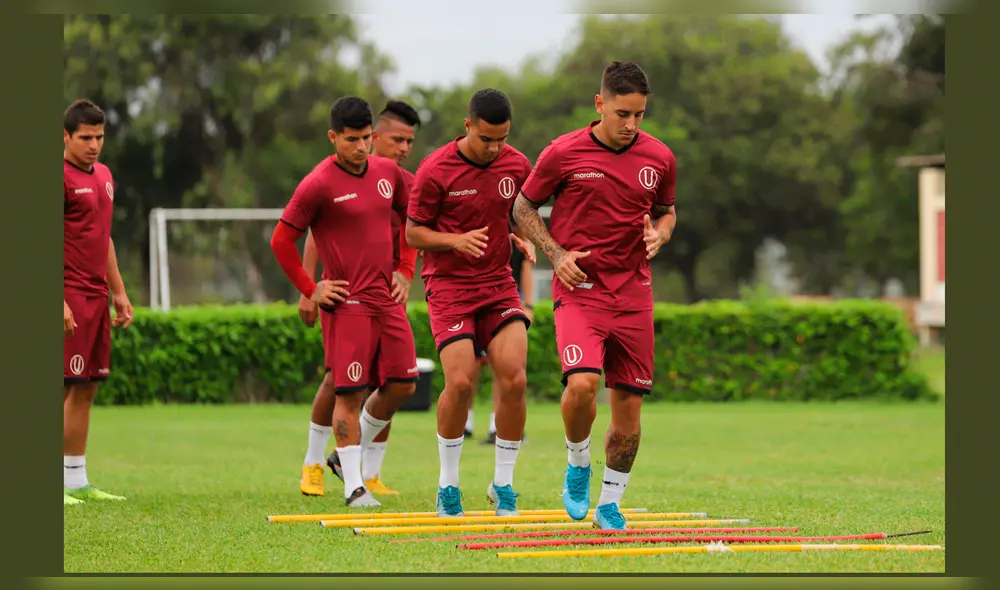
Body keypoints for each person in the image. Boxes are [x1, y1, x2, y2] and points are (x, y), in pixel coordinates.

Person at [512, 61, 677, 530]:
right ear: (599, 104)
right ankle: (578, 461)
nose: (631, 124)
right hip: (580, 290)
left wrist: (660, 236)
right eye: (623, 113)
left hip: (634, 294)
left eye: (639, 115)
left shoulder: (660, 158)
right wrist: (554, 251)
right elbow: (523, 205)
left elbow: (667, 212)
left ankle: (610, 503)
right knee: (582, 385)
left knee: (629, 408)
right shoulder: (562, 153)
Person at [270, 96, 418, 507]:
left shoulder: (389, 172)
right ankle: (355, 487)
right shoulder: (317, 183)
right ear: (333, 137)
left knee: (404, 383)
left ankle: (341, 458)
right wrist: (310, 287)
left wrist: (405, 269)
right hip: (347, 303)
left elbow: (412, 219)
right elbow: (281, 239)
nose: (361, 147)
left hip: (386, 300)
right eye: (351, 139)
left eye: (367, 138)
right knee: (348, 392)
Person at [405, 89, 536, 517]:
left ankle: (504, 485)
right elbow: (413, 233)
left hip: (498, 285)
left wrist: (520, 236)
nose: (495, 148)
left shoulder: (516, 164)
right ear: (468, 127)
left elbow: (516, 212)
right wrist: (454, 241)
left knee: (514, 379)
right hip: (449, 287)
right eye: (486, 139)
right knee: (460, 383)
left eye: (502, 139)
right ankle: (448, 485)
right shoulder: (435, 169)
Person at [63, 99, 134, 506]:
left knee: (86, 388)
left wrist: (119, 292)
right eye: (85, 137)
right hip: (68, 292)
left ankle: (75, 480)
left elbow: (103, 236)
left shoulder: (105, 176)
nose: (94, 145)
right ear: (66, 137)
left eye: (99, 137)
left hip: (96, 296)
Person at [468, 225, 534, 445]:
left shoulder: (516, 231)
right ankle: (464, 423)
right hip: (475, 301)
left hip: (506, 303)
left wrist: (529, 304)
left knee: (505, 366)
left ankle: (497, 426)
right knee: (470, 366)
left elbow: (525, 265)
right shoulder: (479, 228)